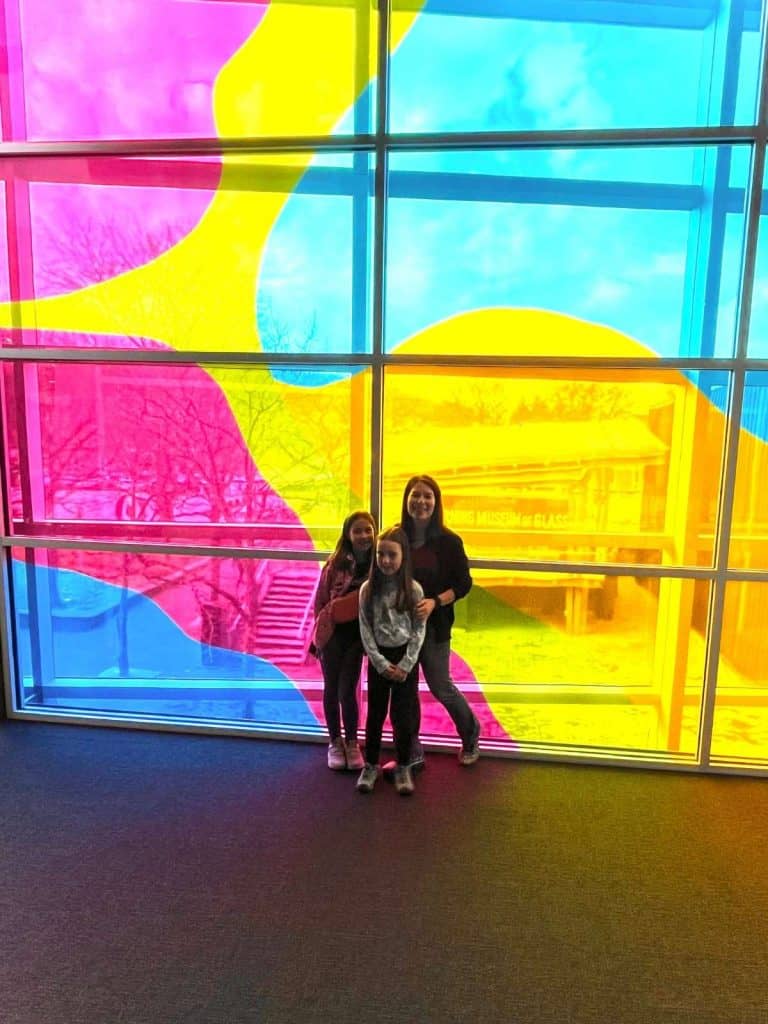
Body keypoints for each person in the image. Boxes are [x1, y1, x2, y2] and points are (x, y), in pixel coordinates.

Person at [395, 473, 480, 767]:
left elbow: (464, 584)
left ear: (436, 502)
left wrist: (435, 602)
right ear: (406, 500)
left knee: (440, 685)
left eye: (427, 496)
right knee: (405, 690)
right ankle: (412, 747)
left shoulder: (449, 542)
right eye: (415, 495)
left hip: (434, 627)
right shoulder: (396, 536)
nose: (421, 501)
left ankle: (470, 733)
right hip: (400, 629)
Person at [356, 525, 426, 796]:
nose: (385, 560)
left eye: (392, 555)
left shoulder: (414, 590)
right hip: (380, 660)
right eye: (380, 554)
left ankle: (404, 765)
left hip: (404, 659)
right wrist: (380, 663)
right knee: (375, 714)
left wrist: (406, 664)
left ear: (403, 556)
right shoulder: (367, 590)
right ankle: (371, 764)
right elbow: (365, 629)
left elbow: (419, 630)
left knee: (403, 715)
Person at [312, 510, 376, 771]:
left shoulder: (378, 564)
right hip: (333, 634)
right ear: (348, 534)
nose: (363, 535)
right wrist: (320, 634)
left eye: (368, 530)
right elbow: (320, 601)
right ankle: (335, 742)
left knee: (347, 690)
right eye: (357, 530)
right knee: (331, 688)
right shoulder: (336, 564)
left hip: (357, 637)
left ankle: (352, 742)